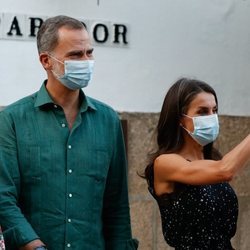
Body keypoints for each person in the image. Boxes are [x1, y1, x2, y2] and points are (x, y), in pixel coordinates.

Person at [0, 15, 138, 250]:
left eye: (89, 53)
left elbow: (116, 208)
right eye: (75, 55)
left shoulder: (107, 120)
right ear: (46, 60)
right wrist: (34, 246)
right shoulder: (12, 120)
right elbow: (3, 198)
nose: (86, 61)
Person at [143, 77, 250, 249]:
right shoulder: (165, 163)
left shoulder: (211, 159)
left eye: (214, 110)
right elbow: (225, 170)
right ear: (179, 118)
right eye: (202, 111)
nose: (211, 117)